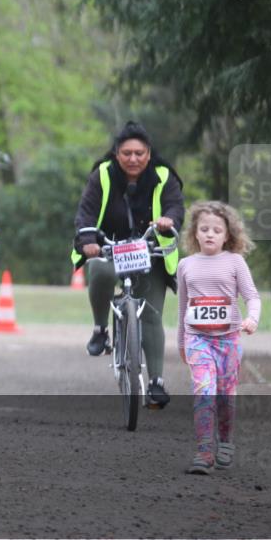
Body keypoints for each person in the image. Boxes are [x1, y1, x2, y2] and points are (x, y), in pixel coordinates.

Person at [72, 121, 184, 408]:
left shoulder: (164, 175)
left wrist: (169, 220)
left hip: (150, 249)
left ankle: (156, 382)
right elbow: (86, 210)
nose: (133, 159)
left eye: (139, 153)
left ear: (149, 153)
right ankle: (100, 330)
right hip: (110, 246)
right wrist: (88, 239)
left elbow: (175, 205)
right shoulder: (102, 176)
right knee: (99, 270)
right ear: (116, 154)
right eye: (126, 153)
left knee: (152, 315)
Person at [176, 201, 260, 475]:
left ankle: (225, 440)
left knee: (224, 395)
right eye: (204, 229)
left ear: (227, 235)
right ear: (195, 234)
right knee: (204, 390)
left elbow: (252, 296)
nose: (210, 234)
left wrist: (252, 318)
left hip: (228, 341)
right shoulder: (186, 265)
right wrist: (180, 342)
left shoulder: (235, 262)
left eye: (216, 230)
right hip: (197, 339)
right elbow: (182, 308)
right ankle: (204, 450)